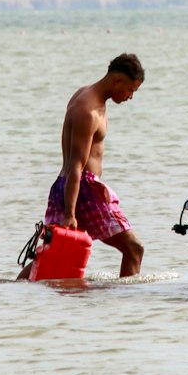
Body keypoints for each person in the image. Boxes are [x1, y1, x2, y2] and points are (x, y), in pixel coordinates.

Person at [26, 53, 146, 278]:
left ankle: (14, 291)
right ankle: (128, 306)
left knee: (50, 255)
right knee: (134, 249)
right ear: (118, 81)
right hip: (83, 189)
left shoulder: (86, 94)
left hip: (66, 186)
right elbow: (76, 165)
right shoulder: (89, 111)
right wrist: (70, 213)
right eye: (131, 90)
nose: (130, 97)